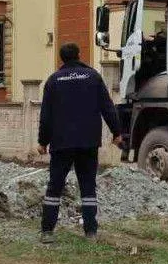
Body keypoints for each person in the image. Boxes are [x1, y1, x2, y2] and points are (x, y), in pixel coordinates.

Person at [36, 42, 123, 243]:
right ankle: (90, 232)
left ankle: (47, 231)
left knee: (55, 186)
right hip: (88, 142)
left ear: (61, 58)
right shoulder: (93, 77)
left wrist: (42, 141)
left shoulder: (53, 81)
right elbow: (108, 107)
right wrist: (117, 132)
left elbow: (46, 115)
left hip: (61, 143)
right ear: (79, 55)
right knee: (88, 186)